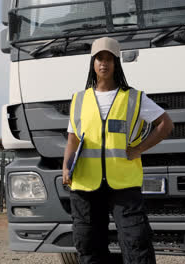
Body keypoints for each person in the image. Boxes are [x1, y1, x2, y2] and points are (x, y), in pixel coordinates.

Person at [62, 37, 174, 264]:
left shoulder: (133, 97)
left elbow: (166, 125)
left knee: (136, 242)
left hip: (123, 184)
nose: (104, 63)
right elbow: (72, 140)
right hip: (85, 183)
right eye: (99, 59)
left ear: (116, 64)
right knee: (88, 243)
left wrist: (138, 149)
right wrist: (65, 166)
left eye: (109, 59)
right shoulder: (79, 99)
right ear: (92, 64)